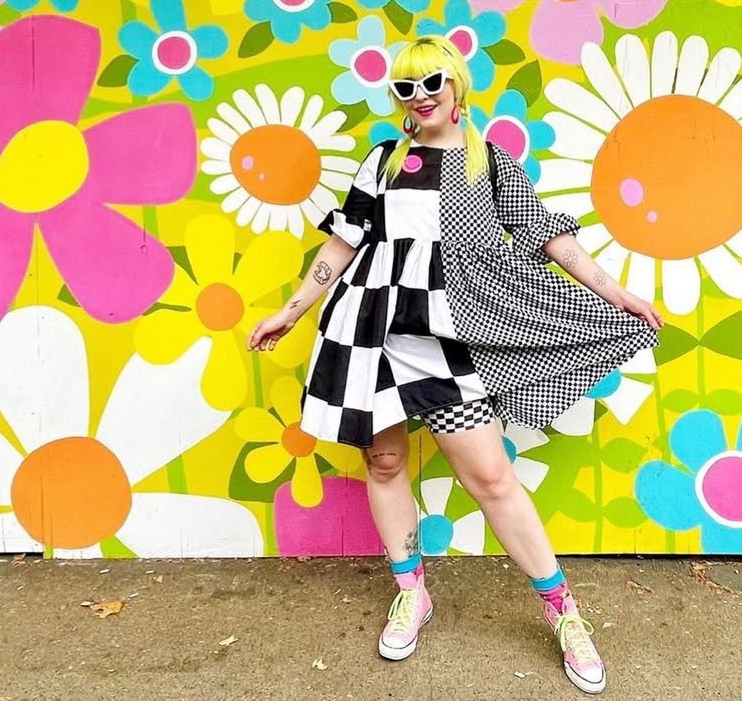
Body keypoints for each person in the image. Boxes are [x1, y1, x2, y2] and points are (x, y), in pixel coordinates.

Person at [247, 35, 662, 695]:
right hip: (371, 332)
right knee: (384, 464)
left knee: (492, 478)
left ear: (456, 85)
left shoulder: (488, 162)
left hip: (447, 339)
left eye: (432, 81)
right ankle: (412, 592)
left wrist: (618, 294)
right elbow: (343, 243)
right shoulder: (384, 161)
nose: (420, 96)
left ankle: (564, 613)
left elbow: (551, 239)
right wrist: (292, 310)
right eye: (406, 87)